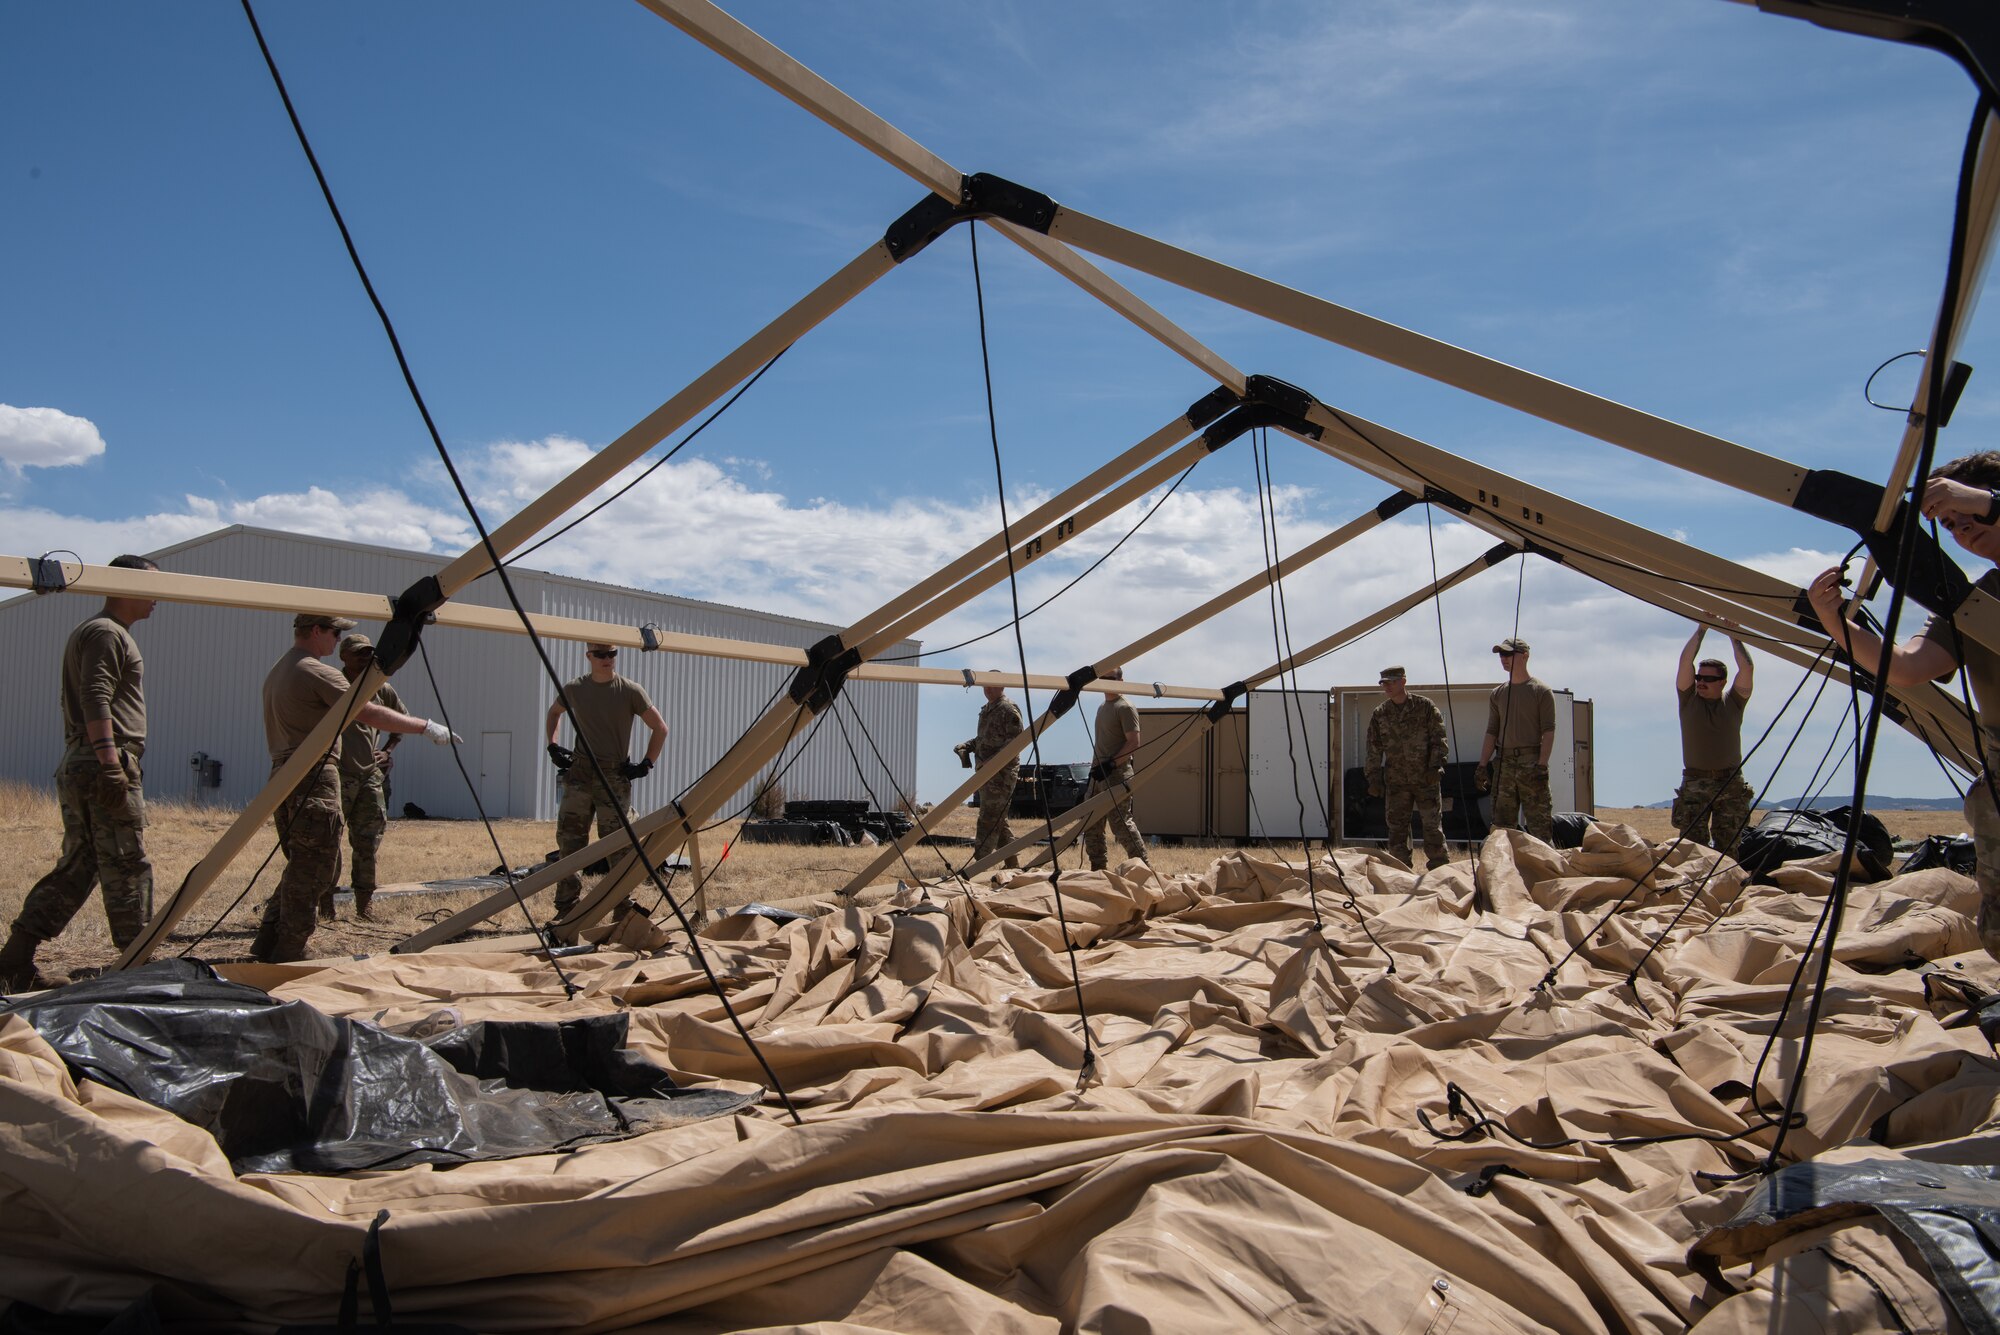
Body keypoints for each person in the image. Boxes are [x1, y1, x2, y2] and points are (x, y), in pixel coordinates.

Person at [1807, 450, 2000, 960]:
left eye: (1969, 516)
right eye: (1952, 525)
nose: (1963, 530)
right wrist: (1833, 620)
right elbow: (1908, 667)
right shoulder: (1978, 601)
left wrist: (1987, 500)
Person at [255, 613, 459, 962]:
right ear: (316, 631)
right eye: (335, 634)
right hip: (314, 774)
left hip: (288, 772)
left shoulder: (282, 668)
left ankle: (267, 942)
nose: (336, 641)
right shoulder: (316, 670)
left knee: (303, 863)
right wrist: (425, 726)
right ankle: (290, 951)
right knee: (316, 868)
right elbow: (367, 712)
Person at [0, 555, 161, 992]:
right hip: (102, 761)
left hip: (86, 759)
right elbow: (96, 697)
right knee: (126, 863)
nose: (158, 597)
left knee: (81, 864)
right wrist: (111, 763)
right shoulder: (107, 632)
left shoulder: (105, 632)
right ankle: (138, 966)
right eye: (151, 586)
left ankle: (15, 959)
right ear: (122, 585)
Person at [545, 642, 668, 916]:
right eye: (600, 654)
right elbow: (554, 712)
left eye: (612, 654)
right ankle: (566, 911)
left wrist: (647, 763)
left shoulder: (630, 691)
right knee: (570, 842)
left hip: (614, 776)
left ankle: (623, 909)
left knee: (619, 846)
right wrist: (553, 745)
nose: (607, 659)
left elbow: (660, 728)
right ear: (588, 656)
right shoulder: (575, 688)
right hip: (579, 773)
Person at [334, 632, 406, 921]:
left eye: (368, 653)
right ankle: (326, 904)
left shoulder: (380, 688)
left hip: (369, 777)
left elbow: (399, 723)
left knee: (368, 841)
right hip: (337, 774)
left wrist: (387, 751)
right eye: (359, 653)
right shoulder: (332, 685)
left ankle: (364, 906)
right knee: (329, 841)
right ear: (344, 656)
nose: (365, 658)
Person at [1672, 624, 1755, 852]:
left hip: (1729, 784)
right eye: (1699, 677)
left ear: (1723, 682)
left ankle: (1727, 886)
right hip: (1695, 783)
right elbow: (1684, 662)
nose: (1700, 682)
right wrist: (1702, 628)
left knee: (1728, 848)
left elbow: (1747, 668)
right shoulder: (1689, 700)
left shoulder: (1734, 703)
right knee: (1692, 849)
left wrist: (1733, 634)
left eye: (1708, 678)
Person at [1365, 665, 1450, 868]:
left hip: (1425, 778)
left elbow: (1439, 740)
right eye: (1384, 683)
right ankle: (1400, 869)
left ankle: (1440, 869)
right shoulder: (1380, 714)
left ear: (1403, 681)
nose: (1387, 687)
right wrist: (1373, 778)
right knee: (1397, 829)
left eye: (1391, 682)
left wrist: (1435, 767)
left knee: (1432, 826)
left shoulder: (1425, 707)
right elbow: (1373, 749)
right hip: (1397, 781)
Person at [1475, 636, 1556, 842]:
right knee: (1501, 830)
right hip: (1504, 765)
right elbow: (1491, 731)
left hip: (1531, 762)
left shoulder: (1541, 692)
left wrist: (1542, 765)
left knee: (1539, 827)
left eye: (1509, 654)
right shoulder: (1498, 694)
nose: (1504, 659)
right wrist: (1482, 765)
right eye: (1501, 655)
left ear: (1525, 656)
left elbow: (1548, 731)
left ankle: (1546, 871)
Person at [1080, 667, 1148, 870]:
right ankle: (1098, 869)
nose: (1105, 682)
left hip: (1117, 774)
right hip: (1098, 775)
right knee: (1091, 823)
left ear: (1120, 681)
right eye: (1102, 678)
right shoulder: (1102, 707)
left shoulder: (1124, 707)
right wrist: (1093, 774)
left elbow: (1133, 742)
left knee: (1120, 825)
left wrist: (1111, 764)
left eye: (1109, 678)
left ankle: (1143, 868)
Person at [958, 678, 1025, 866]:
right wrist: (968, 746)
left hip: (1001, 775)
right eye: (985, 686)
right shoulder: (987, 709)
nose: (988, 689)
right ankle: (1013, 866)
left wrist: (990, 763)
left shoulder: (1008, 709)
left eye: (992, 685)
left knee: (988, 820)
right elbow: (985, 739)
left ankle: (979, 865)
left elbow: (1015, 743)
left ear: (1002, 685)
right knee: (998, 821)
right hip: (986, 774)